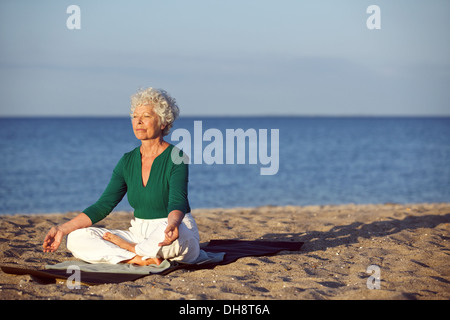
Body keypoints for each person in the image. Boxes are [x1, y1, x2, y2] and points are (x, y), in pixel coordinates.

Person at [43, 87, 200, 266]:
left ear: (163, 122)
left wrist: (172, 225)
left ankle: (131, 249)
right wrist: (61, 229)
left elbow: (177, 201)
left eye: (146, 116)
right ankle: (138, 258)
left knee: (182, 238)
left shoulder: (176, 157)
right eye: (135, 116)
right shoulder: (127, 161)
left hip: (172, 227)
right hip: (139, 233)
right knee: (76, 238)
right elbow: (103, 205)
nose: (138, 121)